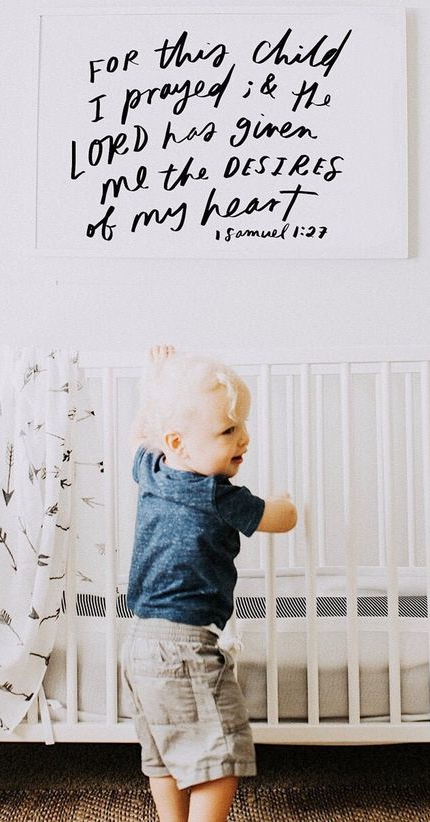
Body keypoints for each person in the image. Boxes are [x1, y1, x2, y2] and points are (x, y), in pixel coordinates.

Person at [122, 345, 297, 822]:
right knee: (222, 756)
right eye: (227, 430)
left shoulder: (151, 471)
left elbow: (140, 436)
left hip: (137, 642)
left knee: (162, 754)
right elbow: (282, 519)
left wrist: (153, 383)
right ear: (177, 442)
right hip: (184, 645)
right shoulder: (221, 496)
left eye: (241, 426)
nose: (243, 439)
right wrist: (283, 501)